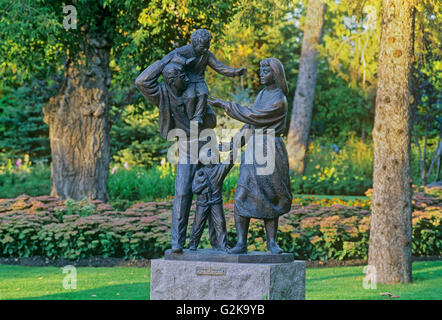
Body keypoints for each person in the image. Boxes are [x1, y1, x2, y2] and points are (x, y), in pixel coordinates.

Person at [208, 57, 292, 254]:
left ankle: (271, 243)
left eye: (266, 70)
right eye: (260, 69)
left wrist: (226, 105)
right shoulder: (263, 94)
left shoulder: (279, 99)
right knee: (243, 193)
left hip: (270, 149)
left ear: (276, 73)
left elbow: (253, 116)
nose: (261, 73)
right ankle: (241, 243)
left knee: (271, 194)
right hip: (254, 150)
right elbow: (252, 124)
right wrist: (234, 143)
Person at [135, 59, 218, 253]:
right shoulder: (163, 94)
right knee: (182, 192)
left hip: (206, 142)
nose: (187, 78)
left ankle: (218, 243)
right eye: (182, 77)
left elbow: (212, 121)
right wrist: (167, 59)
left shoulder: (196, 91)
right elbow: (141, 81)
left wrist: (203, 112)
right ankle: (177, 243)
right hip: (186, 144)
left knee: (213, 193)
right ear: (172, 81)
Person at [161, 29, 246, 126]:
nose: (205, 49)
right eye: (202, 47)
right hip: (186, 81)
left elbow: (219, 67)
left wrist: (235, 72)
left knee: (203, 93)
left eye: (207, 46)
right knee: (190, 96)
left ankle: (198, 117)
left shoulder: (206, 55)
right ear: (194, 44)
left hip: (199, 79)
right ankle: (188, 120)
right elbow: (168, 59)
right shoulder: (184, 51)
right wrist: (184, 61)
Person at [188, 148, 235, 252]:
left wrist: (233, 147)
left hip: (215, 203)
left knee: (220, 223)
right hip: (202, 203)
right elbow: (194, 189)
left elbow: (229, 161)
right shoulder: (200, 172)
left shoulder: (219, 170)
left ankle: (222, 246)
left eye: (213, 156)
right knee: (198, 224)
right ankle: (192, 244)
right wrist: (204, 185)